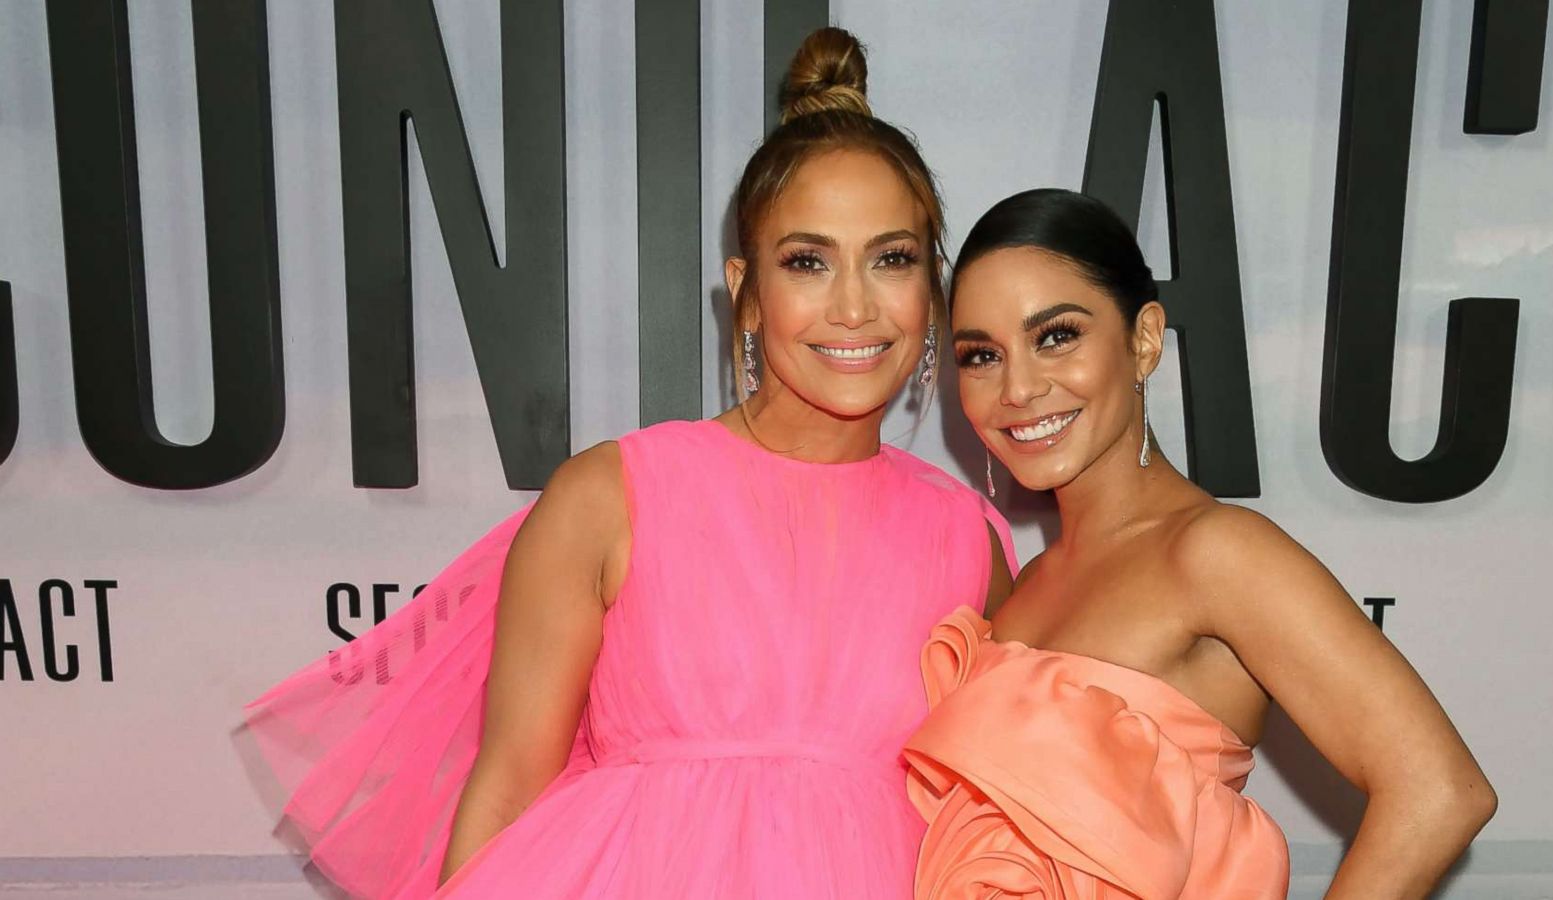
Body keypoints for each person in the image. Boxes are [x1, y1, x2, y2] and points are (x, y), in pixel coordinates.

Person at [244, 28, 1012, 900]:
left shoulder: (969, 542)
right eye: (807, 261)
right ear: (747, 291)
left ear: (931, 292)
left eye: (892, 260)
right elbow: (503, 793)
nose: (853, 305)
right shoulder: (609, 497)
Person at [904, 188, 1495, 899]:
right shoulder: (1027, 583)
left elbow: (1441, 791)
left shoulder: (1215, 553)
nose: (1019, 387)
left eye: (1056, 335)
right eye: (981, 355)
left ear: (1144, 339)